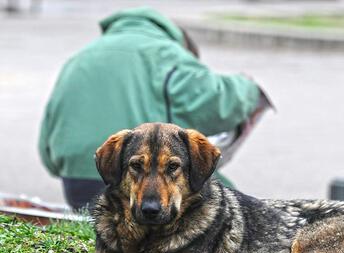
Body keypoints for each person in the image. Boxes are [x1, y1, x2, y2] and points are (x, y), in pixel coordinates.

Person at [38, 7, 267, 209]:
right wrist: (247, 87)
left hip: (77, 185)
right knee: (235, 208)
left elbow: (46, 146)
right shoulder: (168, 53)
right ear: (184, 44)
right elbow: (221, 101)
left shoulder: (79, 58)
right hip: (136, 188)